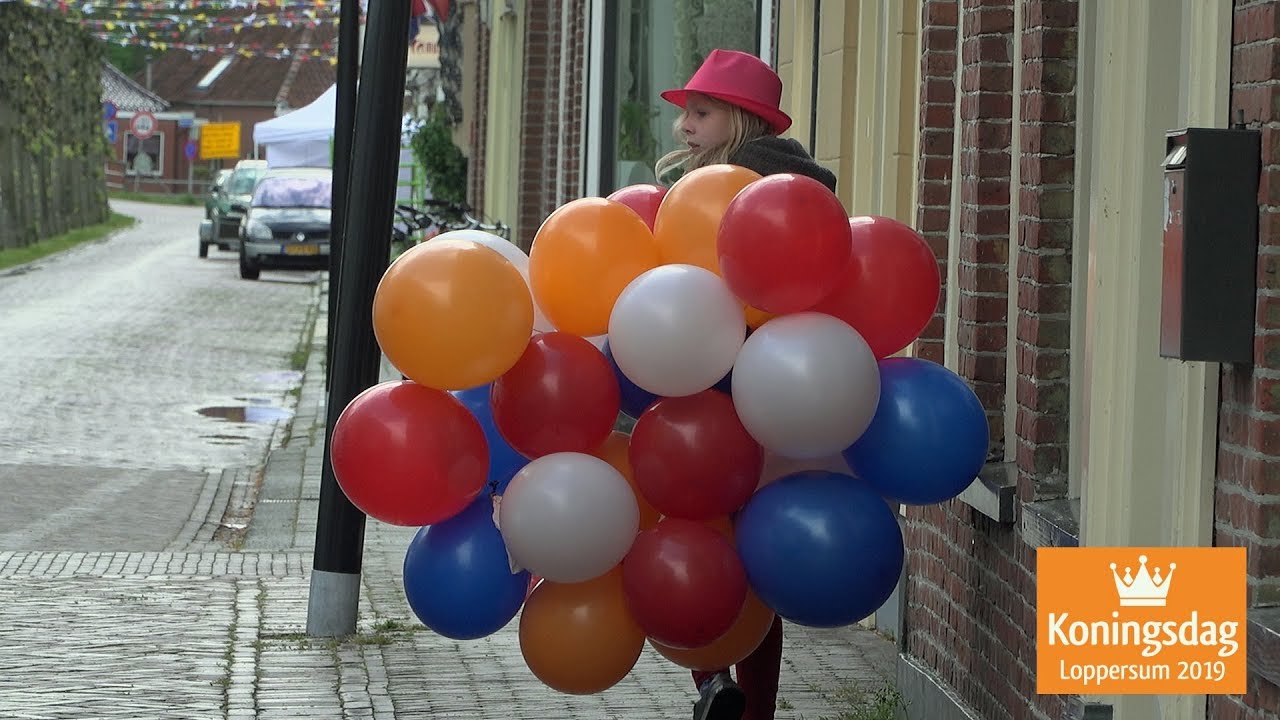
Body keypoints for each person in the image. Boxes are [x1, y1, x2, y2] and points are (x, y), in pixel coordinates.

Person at [654, 48, 837, 720]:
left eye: (700, 113)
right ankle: (753, 707)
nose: (683, 128)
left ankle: (711, 685)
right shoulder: (805, 190)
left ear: (738, 119)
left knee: (687, 544)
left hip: (708, 393)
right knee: (762, 565)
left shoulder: (721, 190)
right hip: (784, 396)